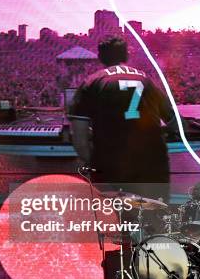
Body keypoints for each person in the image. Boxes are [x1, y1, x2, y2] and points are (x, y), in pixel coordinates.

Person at [68, 36, 177, 200]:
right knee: (154, 218)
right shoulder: (145, 79)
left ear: (101, 57)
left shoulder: (92, 82)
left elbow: (80, 140)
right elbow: (174, 121)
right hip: (152, 163)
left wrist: (96, 164)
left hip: (112, 164)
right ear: (126, 55)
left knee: (115, 220)